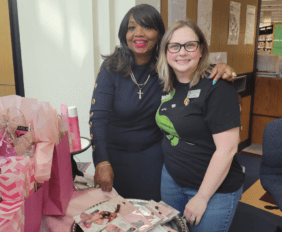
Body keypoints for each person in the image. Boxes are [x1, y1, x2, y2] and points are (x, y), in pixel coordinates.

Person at [89, 4, 236, 201]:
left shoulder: (166, 66)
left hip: (154, 155)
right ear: (124, 33)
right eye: (131, 28)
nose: (138, 34)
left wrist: (221, 68)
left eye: (147, 27)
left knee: (153, 216)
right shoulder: (111, 67)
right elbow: (97, 117)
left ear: (160, 34)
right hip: (114, 156)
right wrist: (101, 161)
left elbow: (192, 70)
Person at [156, 19, 244, 232]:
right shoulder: (166, 84)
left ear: (201, 49)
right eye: (174, 46)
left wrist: (201, 198)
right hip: (172, 180)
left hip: (213, 191)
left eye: (190, 45)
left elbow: (228, 149)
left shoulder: (218, 87)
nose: (182, 53)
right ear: (166, 52)